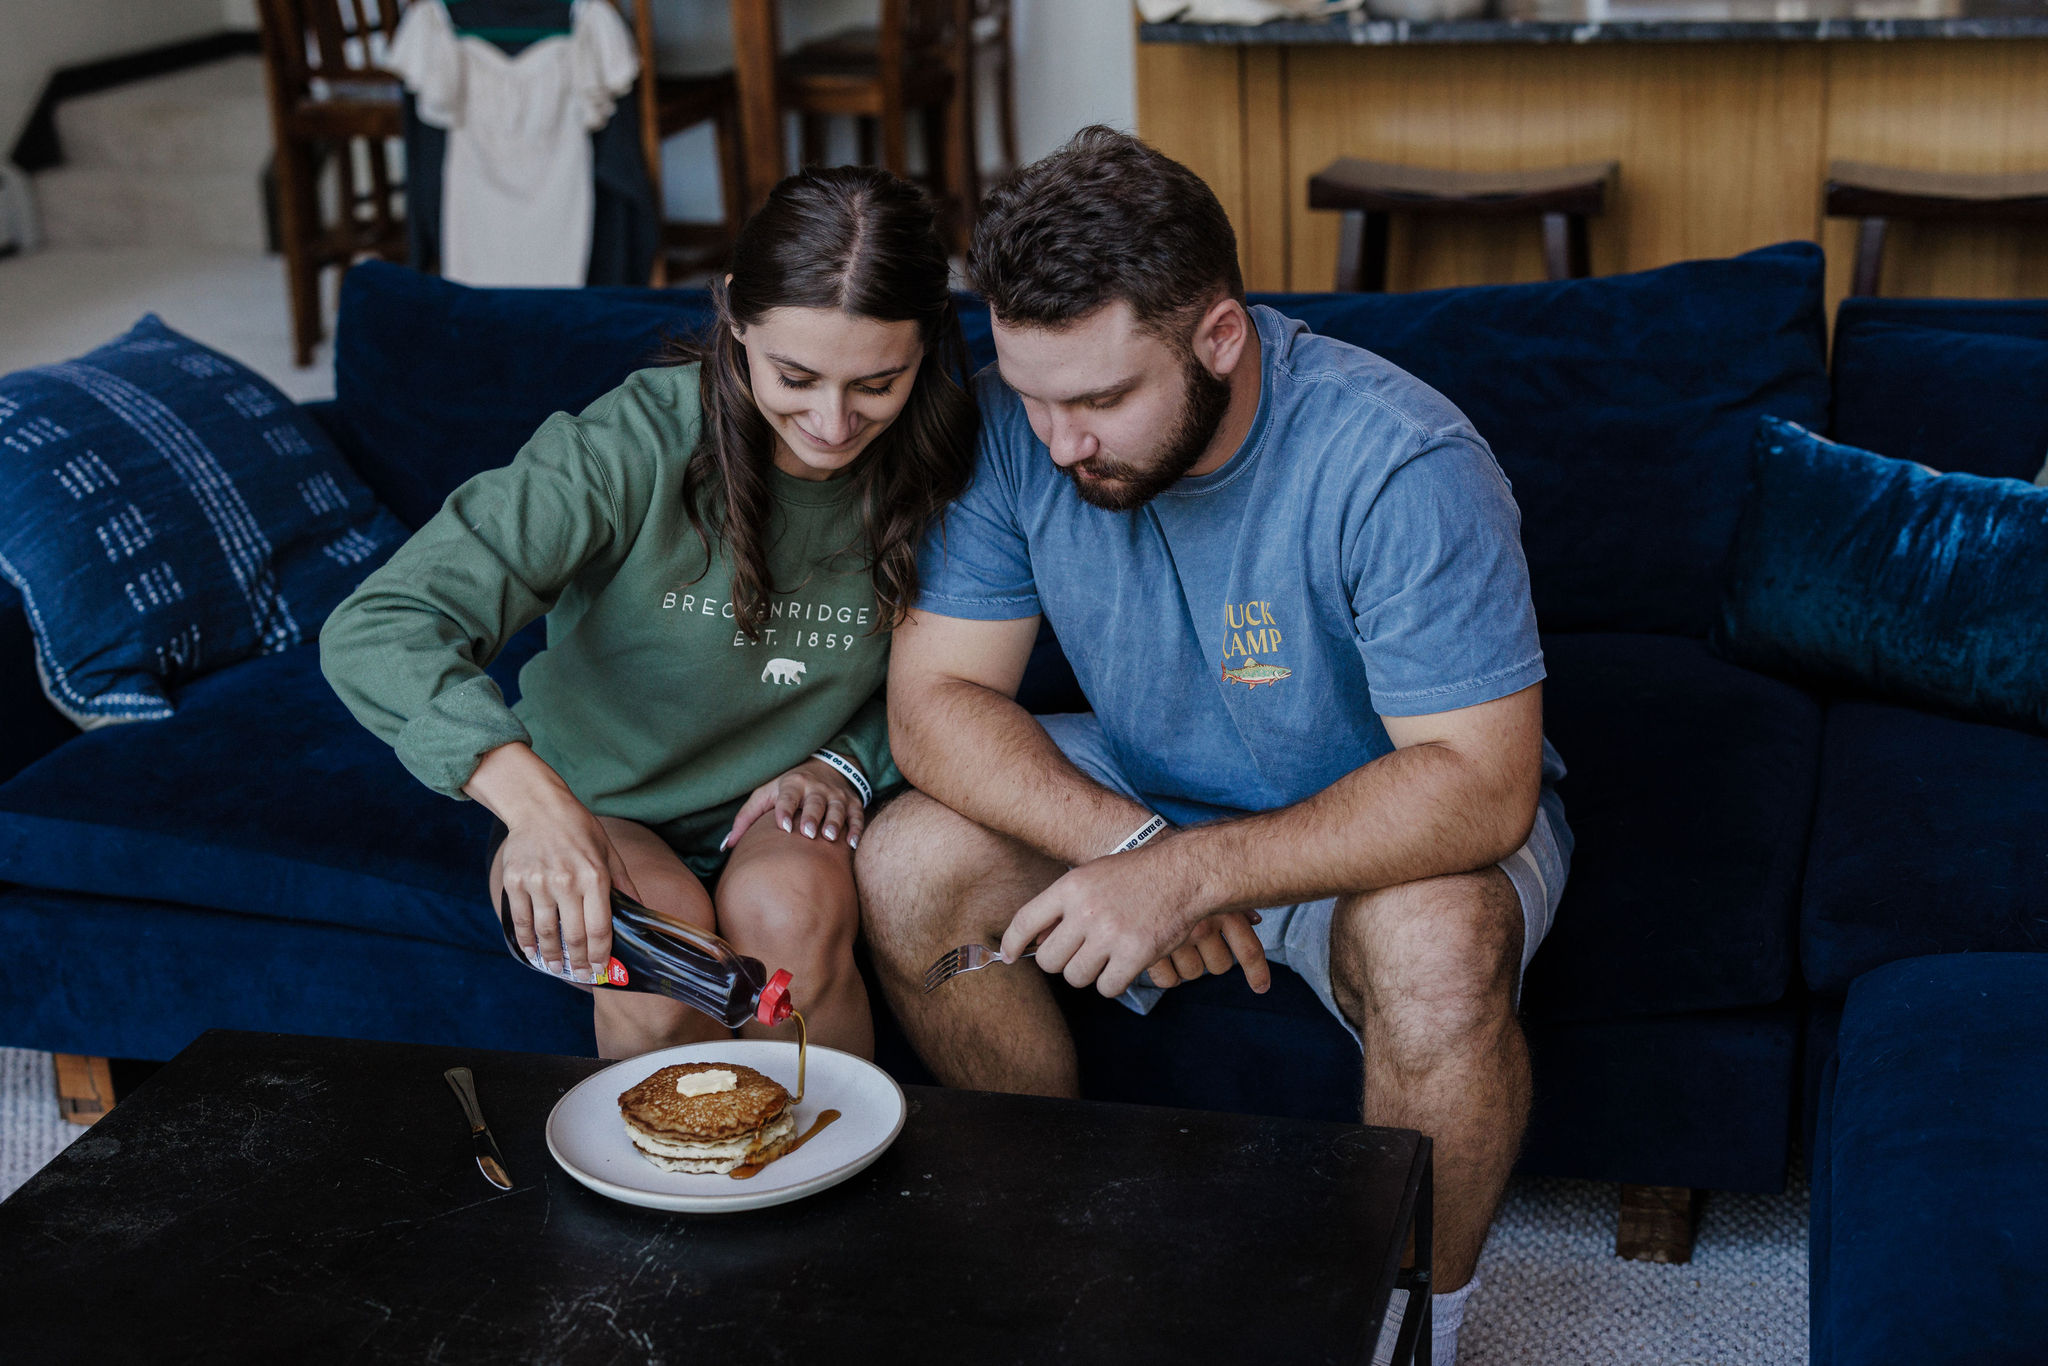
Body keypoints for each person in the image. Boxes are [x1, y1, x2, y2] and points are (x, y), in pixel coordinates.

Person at [853, 128, 1571, 1366]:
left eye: (1098, 399)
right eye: (1031, 391)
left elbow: (1481, 784)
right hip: (1148, 791)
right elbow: (934, 704)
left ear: (1220, 338)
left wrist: (1191, 875)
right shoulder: (1014, 432)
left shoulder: (1398, 460)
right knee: (910, 860)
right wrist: (1127, 843)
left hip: (1377, 823)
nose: (1058, 437)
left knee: (1439, 943)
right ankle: (1052, 1236)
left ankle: (1415, 1333)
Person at [322, 165, 975, 1061]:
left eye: (876, 383)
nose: (831, 421)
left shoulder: (951, 456)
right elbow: (380, 624)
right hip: (602, 799)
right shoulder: (628, 443)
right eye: (795, 375)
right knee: (665, 958)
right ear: (738, 317)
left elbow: (961, 672)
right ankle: (676, 1199)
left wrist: (846, 762)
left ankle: (842, 1181)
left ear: (926, 346)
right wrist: (537, 811)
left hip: (783, 797)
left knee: (788, 919)